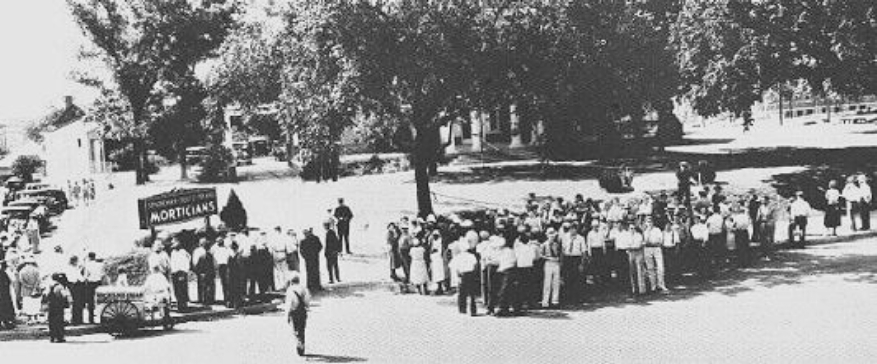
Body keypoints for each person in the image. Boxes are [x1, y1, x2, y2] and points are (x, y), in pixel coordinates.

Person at [285, 273, 311, 356]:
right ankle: (302, 345)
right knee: (302, 329)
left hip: (294, 312)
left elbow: (288, 304)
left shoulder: (290, 290)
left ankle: (299, 344)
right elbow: (307, 301)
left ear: (291, 281)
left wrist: (287, 316)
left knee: (295, 329)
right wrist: (306, 307)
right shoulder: (304, 289)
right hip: (302, 311)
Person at [451, 242, 479, 316]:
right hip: (470, 274)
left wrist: (458, 275)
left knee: (462, 293)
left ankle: (462, 309)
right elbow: (475, 265)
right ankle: (473, 310)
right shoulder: (472, 256)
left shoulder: (458, 257)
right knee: (471, 293)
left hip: (462, 275)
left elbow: (453, 267)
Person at [561, 224, 587, 303]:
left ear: (577, 230)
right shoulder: (565, 237)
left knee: (577, 278)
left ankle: (577, 297)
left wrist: (582, 264)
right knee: (567, 278)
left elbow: (583, 252)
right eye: (571, 229)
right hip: (567, 258)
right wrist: (562, 262)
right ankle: (567, 297)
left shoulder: (581, 238)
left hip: (576, 258)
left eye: (574, 229)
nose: (573, 231)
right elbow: (562, 250)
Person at [642, 218, 667, 293]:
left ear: (653, 222)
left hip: (656, 248)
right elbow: (643, 242)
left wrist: (652, 243)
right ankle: (653, 285)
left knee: (660, 267)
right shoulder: (644, 231)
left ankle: (661, 285)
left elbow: (660, 241)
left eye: (650, 221)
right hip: (647, 249)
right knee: (650, 268)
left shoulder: (657, 230)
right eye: (648, 221)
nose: (649, 223)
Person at [494, 239, 518, 316]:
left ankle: (503, 308)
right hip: (507, 270)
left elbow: (499, 261)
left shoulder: (505, 252)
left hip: (506, 271)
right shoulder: (510, 251)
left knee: (504, 291)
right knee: (507, 290)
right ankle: (506, 308)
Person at [16, 256, 42, 324]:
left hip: (26, 290)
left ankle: (30, 319)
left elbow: (21, 281)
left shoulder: (22, 271)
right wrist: (34, 286)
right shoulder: (36, 270)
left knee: (28, 304)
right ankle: (36, 317)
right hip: (36, 289)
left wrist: (28, 286)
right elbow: (39, 280)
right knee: (35, 303)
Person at [541, 227, 562, 308]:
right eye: (550, 235)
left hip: (556, 263)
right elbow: (541, 255)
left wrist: (558, 259)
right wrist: (548, 258)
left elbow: (559, 253)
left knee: (556, 282)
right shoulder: (544, 245)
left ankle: (555, 301)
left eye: (553, 235)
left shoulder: (556, 244)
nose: (552, 237)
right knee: (547, 283)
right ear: (547, 235)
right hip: (548, 263)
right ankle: (545, 301)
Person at [47, 273, 70, 343]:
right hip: (58, 306)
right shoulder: (60, 287)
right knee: (59, 322)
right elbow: (64, 295)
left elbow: (46, 295)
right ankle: (59, 337)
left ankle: (52, 337)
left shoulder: (50, 286)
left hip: (51, 306)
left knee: (52, 322)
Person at [83, 252, 105, 324]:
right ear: (95, 257)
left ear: (89, 257)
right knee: (100, 299)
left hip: (90, 283)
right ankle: (101, 315)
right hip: (98, 282)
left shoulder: (87, 265)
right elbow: (102, 274)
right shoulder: (100, 265)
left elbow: (86, 276)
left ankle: (91, 319)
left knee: (90, 301)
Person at [170, 240, 192, 311]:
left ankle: (184, 305)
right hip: (175, 273)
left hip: (181, 272)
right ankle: (179, 305)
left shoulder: (183, 252)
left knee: (182, 289)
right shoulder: (173, 253)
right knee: (176, 289)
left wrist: (184, 272)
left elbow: (186, 261)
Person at [193, 238, 215, 305]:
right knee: (202, 286)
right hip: (202, 271)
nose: (206, 244)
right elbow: (195, 262)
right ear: (201, 244)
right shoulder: (197, 251)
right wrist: (198, 271)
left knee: (210, 286)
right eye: (205, 243)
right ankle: (202, 299)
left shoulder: (209, 252)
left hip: (209, 271)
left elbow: (212, 263)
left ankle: (209, 299)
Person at [66, 255, 86, 325]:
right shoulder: (75, 269)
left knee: (74, 304)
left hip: (70, 285)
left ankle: (74, 319)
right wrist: (85, 276)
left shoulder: (68, 268)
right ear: (75, 262)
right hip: (76, 286)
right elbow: (81, 279)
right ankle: (78, 320)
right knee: (78, 303)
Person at [427, 230, 448, 295]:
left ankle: (440, 288)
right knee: (435, 273)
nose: (434, 237)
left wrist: (435, 251)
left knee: (439, 273)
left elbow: (440, 250)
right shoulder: (433, 241)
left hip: (438, 259)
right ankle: (438, 288)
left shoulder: (440, 241)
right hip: (434, 259)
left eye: (436, 235)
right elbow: (431, 249)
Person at [212, 236, 232, 304]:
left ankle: (226, 299)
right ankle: (228, 299)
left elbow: (215, 260)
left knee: (224, 284)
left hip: (221, 267)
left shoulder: (216, 251)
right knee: (228, 283)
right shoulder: (227, 249)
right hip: (226, 266)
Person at [0, 261, 15, 329]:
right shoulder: (4, 273)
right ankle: (7, 322)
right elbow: (9, 282)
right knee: (6, 309)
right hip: (5, 294)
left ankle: (5, 322)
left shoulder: (3, 273)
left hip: (4, 294)